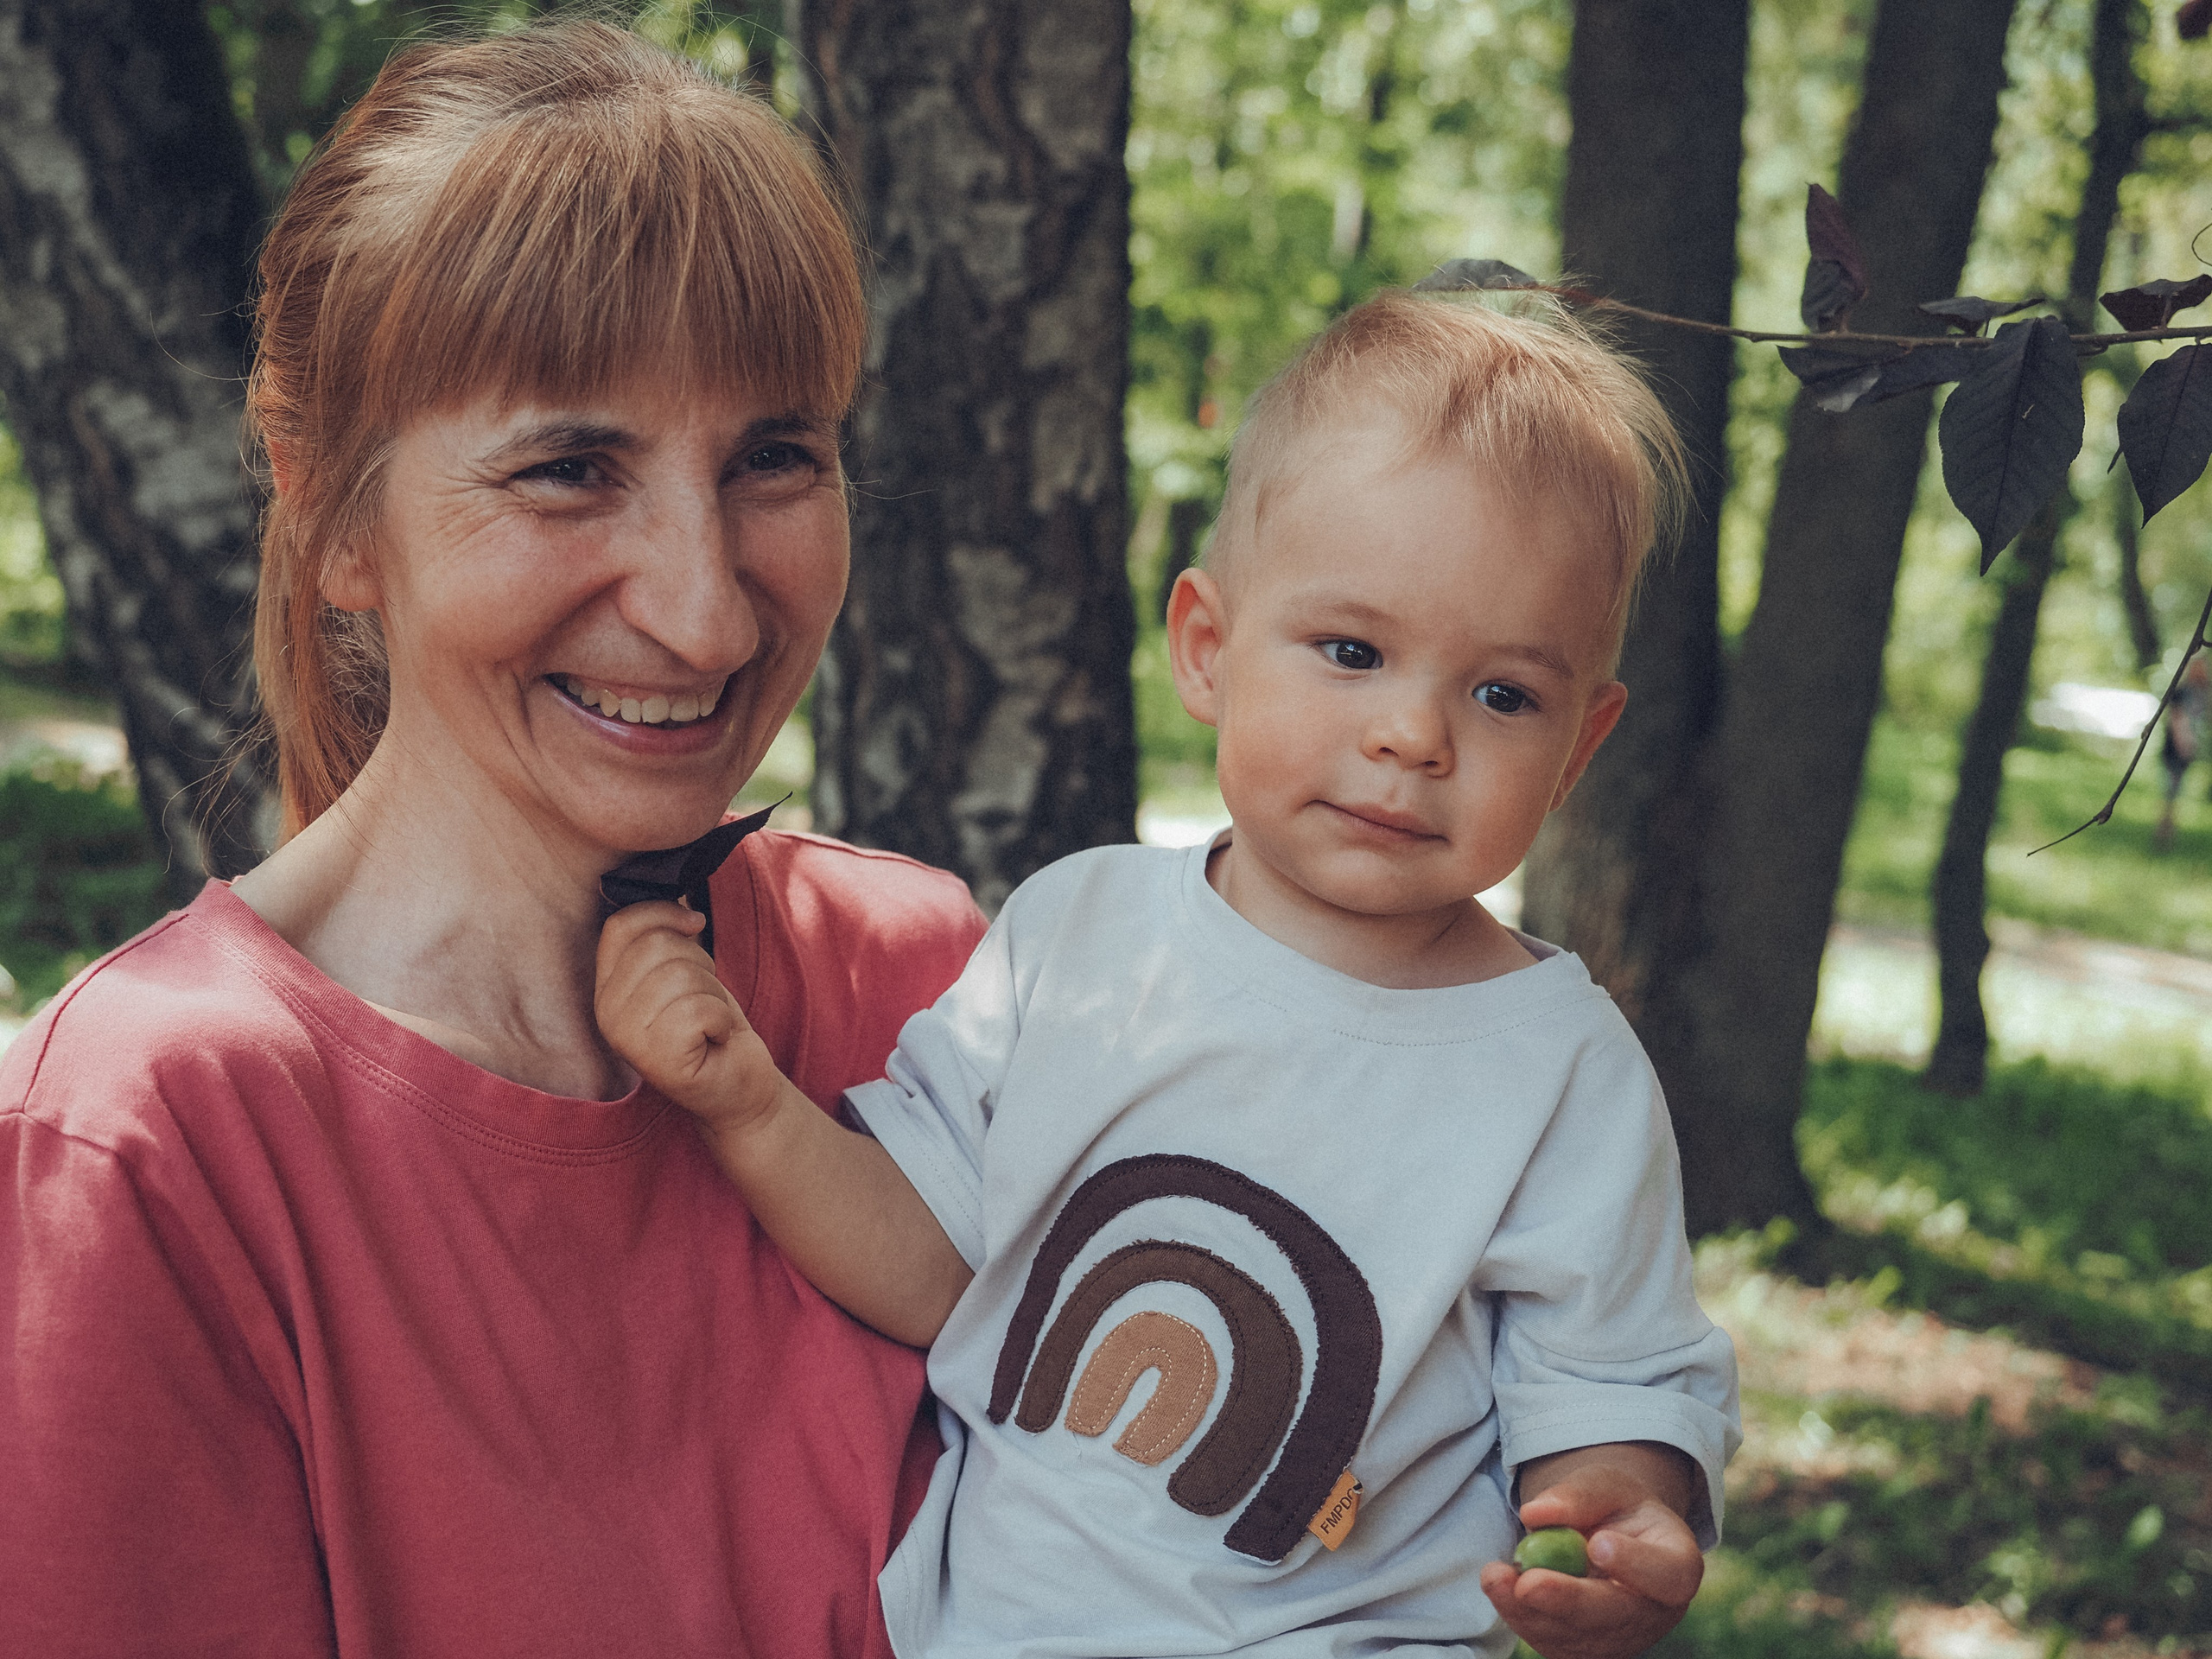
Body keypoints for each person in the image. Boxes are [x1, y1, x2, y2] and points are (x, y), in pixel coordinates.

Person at [0, 23, 988, 1657]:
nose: (704, 608)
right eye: (569, 470)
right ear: (331, 511)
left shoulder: (921, 982)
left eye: (774, 459)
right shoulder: (144, 1150)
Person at [599, 291, 1743, 1658]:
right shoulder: (1079, 936)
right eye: (1353, 652)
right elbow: (934, 1264)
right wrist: (746, 1104)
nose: (1413, 735)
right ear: (1206, 647)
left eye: (1504, 695)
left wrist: (1621, 1522)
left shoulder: (1559, 1071)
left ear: (1582, 743)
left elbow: (1608, 1384)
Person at [2155, 653, 2210, 849]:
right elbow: (2176, 719)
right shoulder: (2182, 692)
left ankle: (2167, 835)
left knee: (2175, 794)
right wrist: (2184, 744)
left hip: (2186, 751)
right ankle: (2163, 835)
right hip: (2174, 751)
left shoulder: (2200, 693)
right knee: (2170, 793)